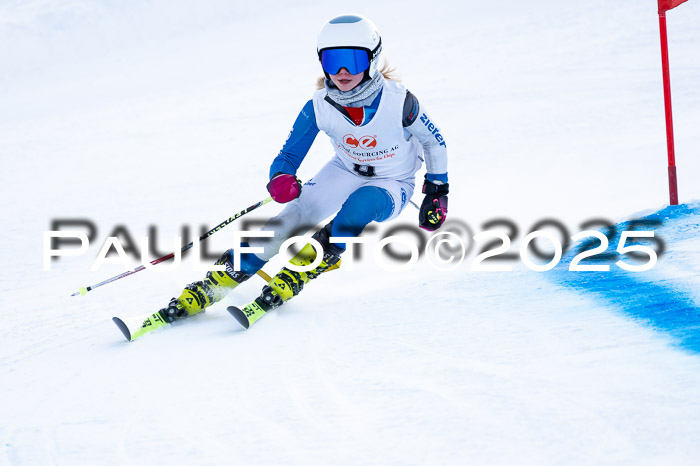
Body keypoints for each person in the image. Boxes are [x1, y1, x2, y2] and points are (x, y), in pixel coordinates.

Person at [159, 14, 450, 323]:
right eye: (331, 60)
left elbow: (435, 143)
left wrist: (437, 191)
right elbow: (289, 154)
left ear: (372, 59)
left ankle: (299, 271)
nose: (341, 72)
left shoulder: (400, 101)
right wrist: (280, 177)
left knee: (357, 210)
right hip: (344, 169)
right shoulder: (320, 105)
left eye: (352, 60)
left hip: (394, 180)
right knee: (290, 217)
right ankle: (216, 283)